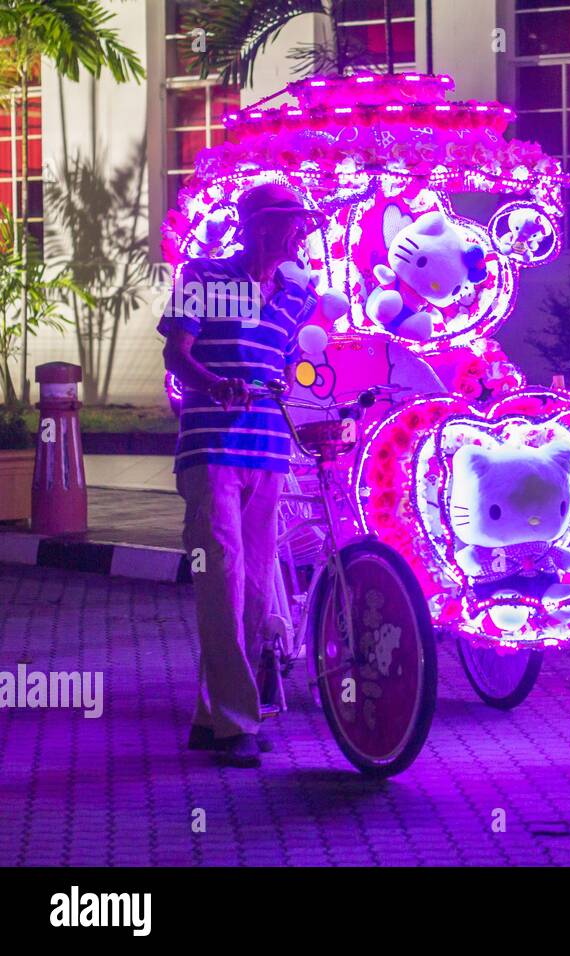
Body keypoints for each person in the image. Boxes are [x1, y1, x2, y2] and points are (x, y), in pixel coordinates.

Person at [159, 183, 324, 768]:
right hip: (211, 453)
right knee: (222, 581)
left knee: (255, 589)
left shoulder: (294, 298)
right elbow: (176, 354)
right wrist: (210, 382)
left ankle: (213, 718)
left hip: (269, 452)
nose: (300, 231)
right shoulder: (202, 277)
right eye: (289, 221)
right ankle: (235, 724)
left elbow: (285, 369)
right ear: (257, 225)